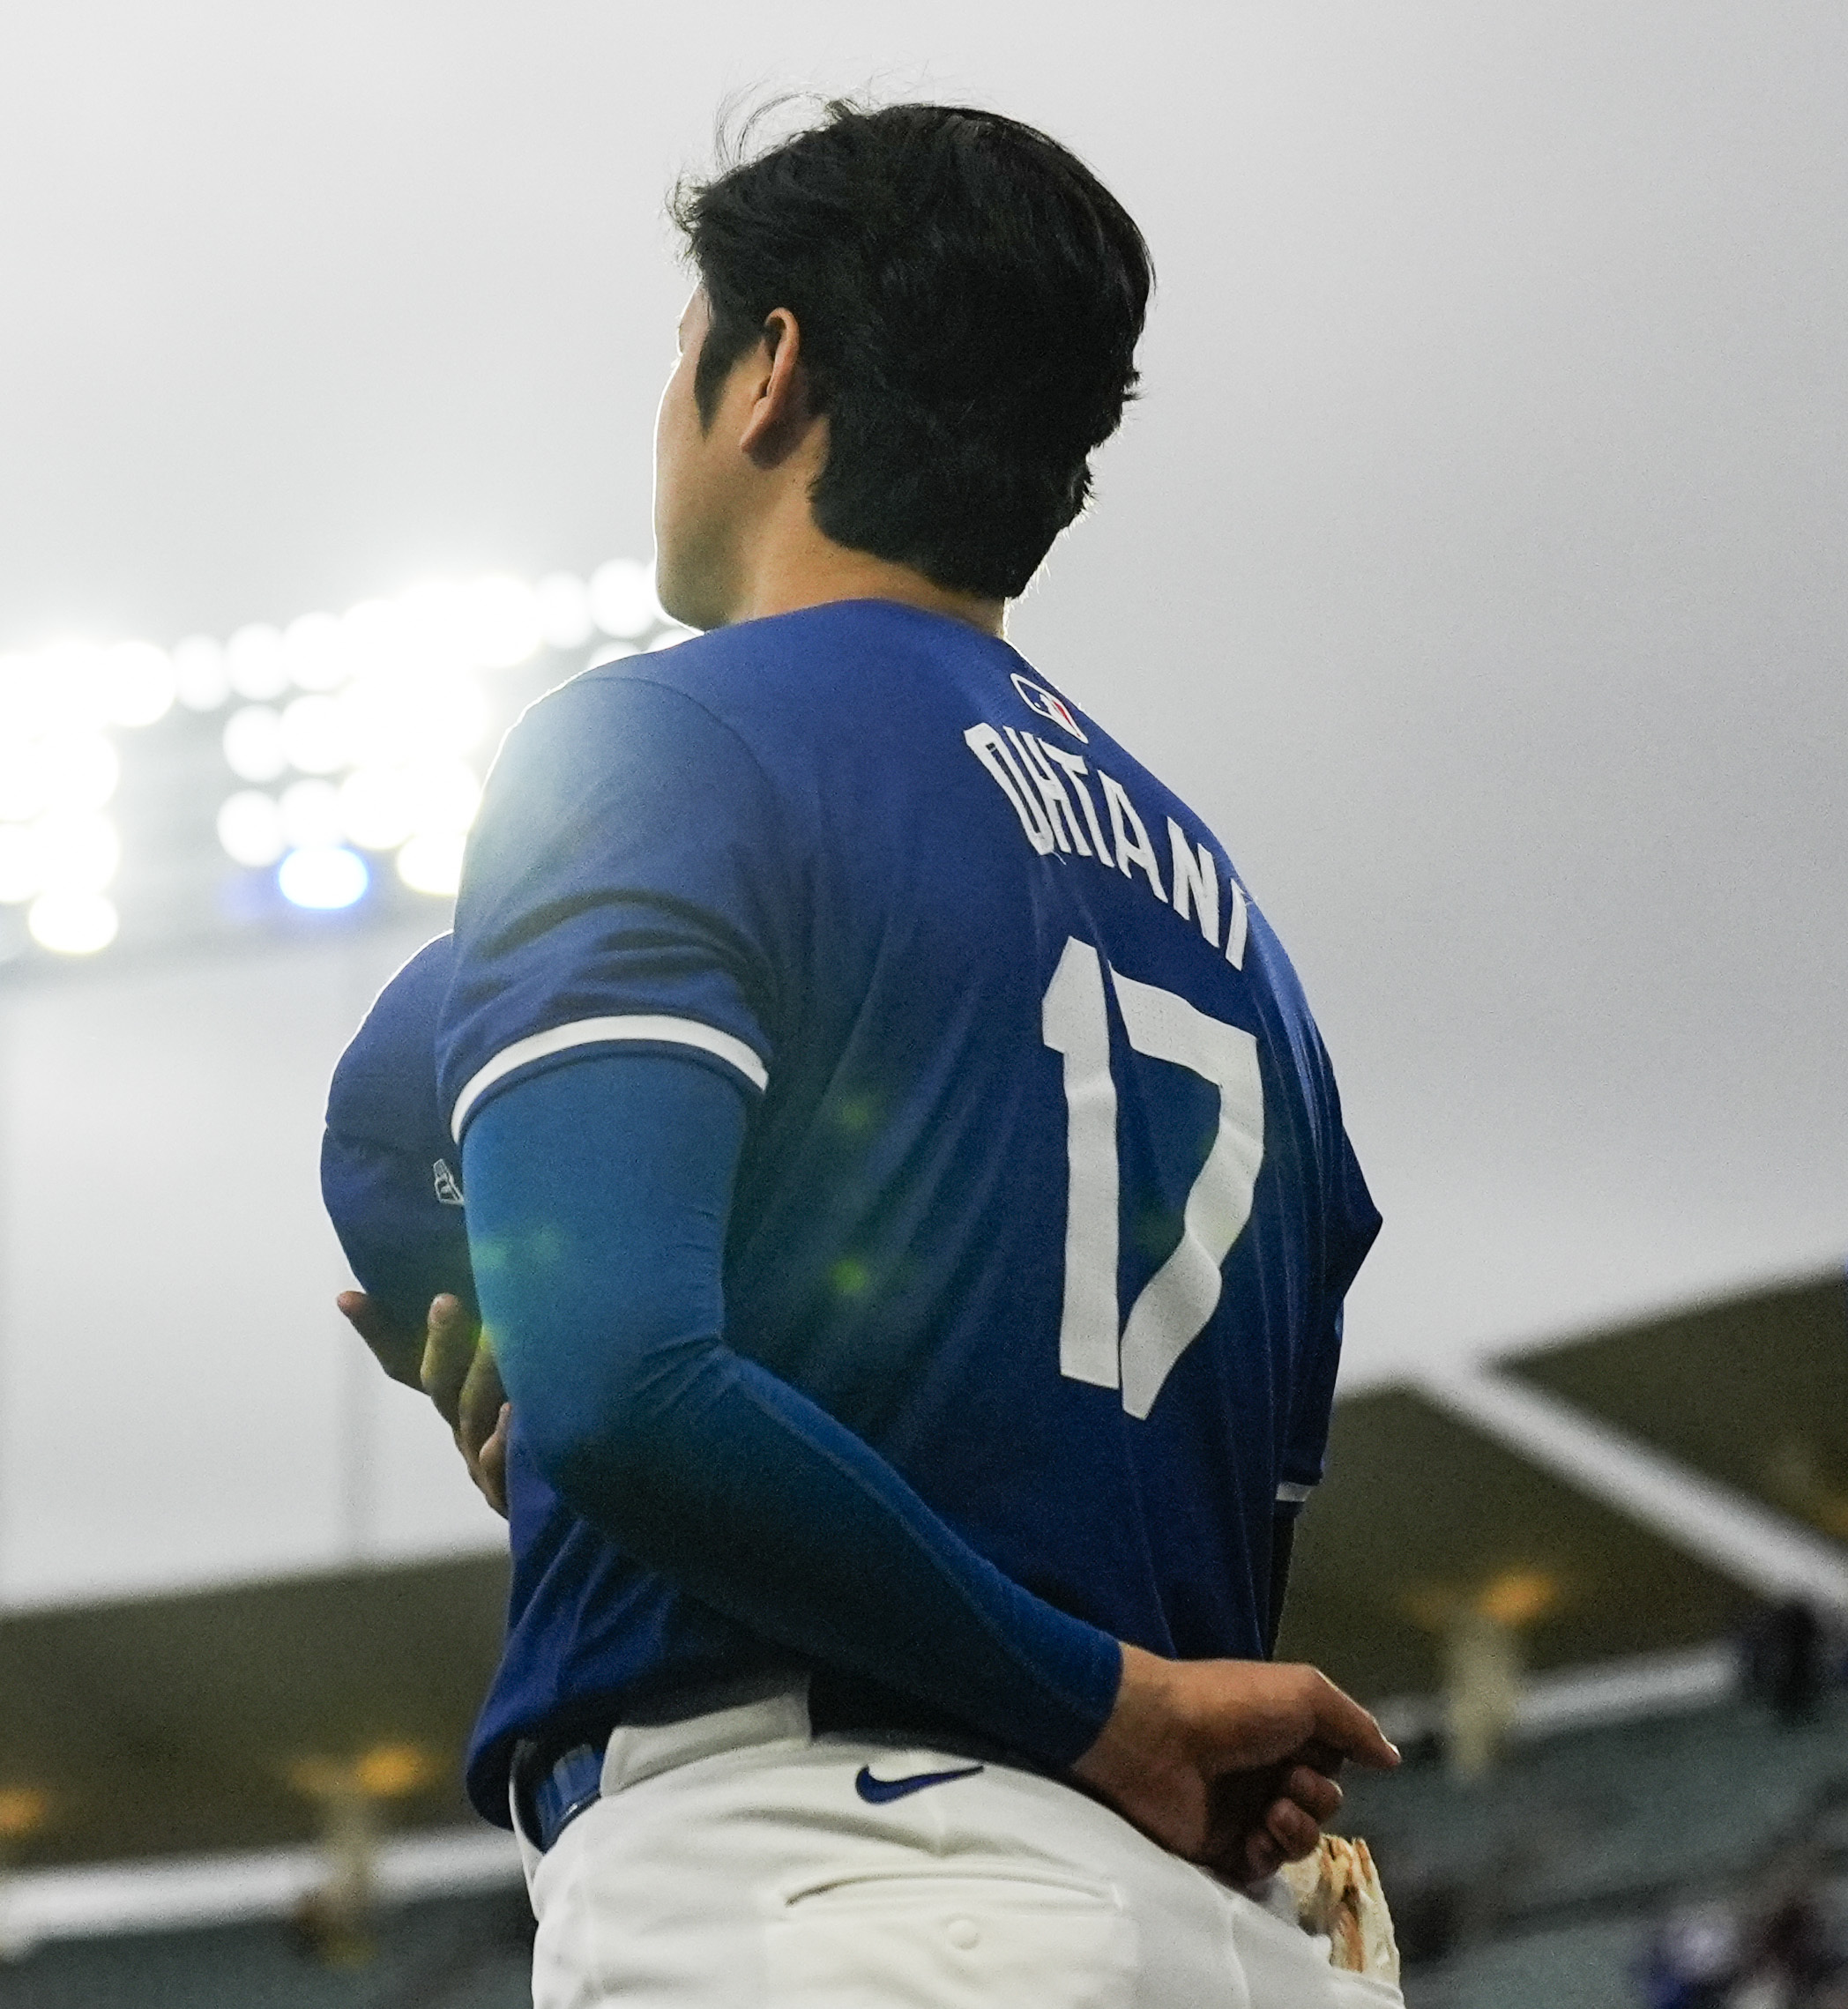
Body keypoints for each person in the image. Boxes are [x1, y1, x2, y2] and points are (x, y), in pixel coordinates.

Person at [324, 99, 1398, 2007]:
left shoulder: (667, 745)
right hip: (1217, 1943)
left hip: (842, 1883)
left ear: (770, 373)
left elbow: (624, 1378)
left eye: (684, 348)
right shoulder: (1246, 938)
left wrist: (532, 1343)